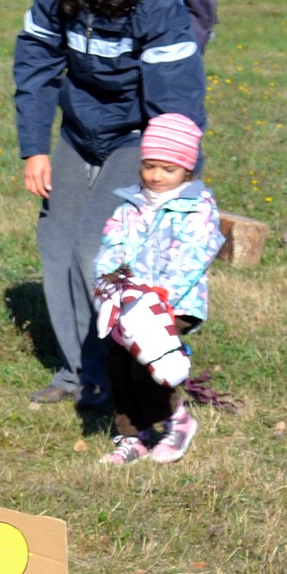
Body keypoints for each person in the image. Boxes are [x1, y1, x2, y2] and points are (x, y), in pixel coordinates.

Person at [13, 0, 206, 409]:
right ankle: (76, 373)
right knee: (57, 245)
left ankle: (115, 374)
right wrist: (35, 148)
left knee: (94, 252)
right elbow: (37, 62)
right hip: (79, 130)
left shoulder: (158, 0)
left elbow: (176, 99)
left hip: (138, 137)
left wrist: (173, 177)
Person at [91, 113, 223, 465]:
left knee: (146, 361)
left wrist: (162, 298)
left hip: (174, 302)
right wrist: (109, 283)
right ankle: (132, 435)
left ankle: (175, 419)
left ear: (187, 170)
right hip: (128, 303)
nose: (156, 176)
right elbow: (112, 246)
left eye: (168, 169)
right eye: (149, 166)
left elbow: (194, 255)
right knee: (118, 363)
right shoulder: (131, 205)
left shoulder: (197, 207)